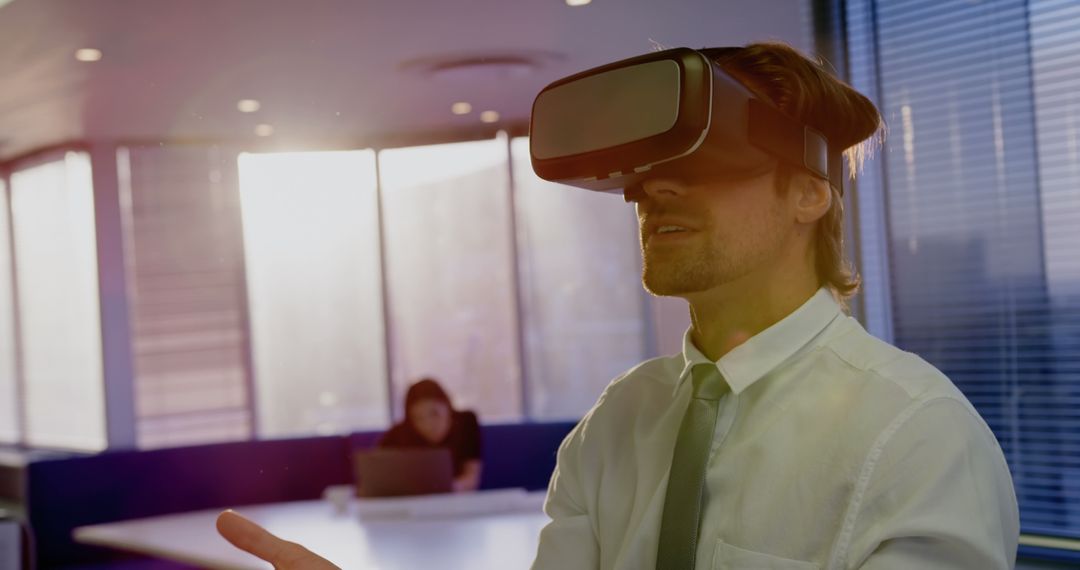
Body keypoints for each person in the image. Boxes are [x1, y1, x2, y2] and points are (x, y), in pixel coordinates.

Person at [216, 42, 1020, 569]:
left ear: (810, 192)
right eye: (643, 167)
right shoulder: (616, 425)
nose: (652, 188)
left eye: (706, 160)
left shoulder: (918, 441)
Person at [378, 378, 483, 493]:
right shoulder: (400, 432)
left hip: (457, 502)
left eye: (434, 413)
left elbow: (471, 479)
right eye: (418, 418)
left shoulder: (466, 422)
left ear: (448, 406)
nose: (428, 425)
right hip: (413, 506)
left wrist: (448, 490)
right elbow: (374, 476)